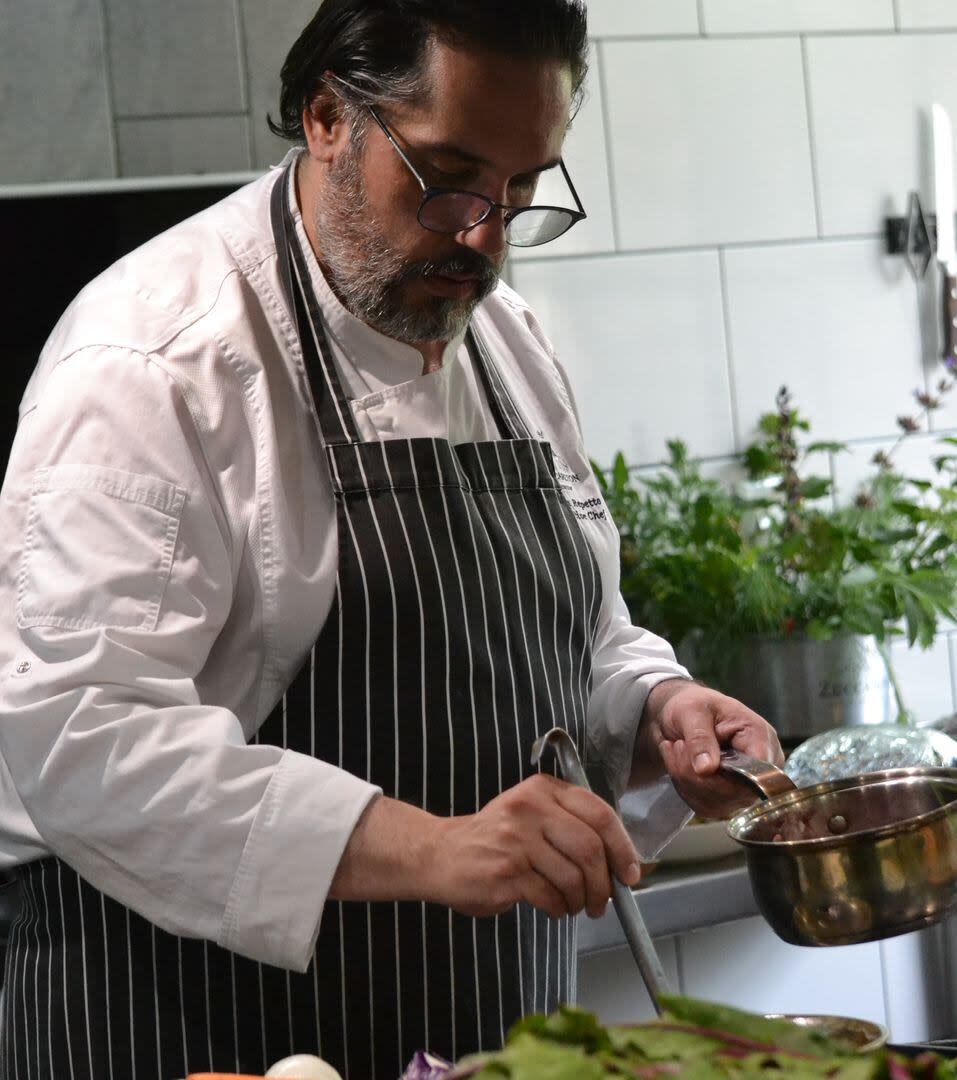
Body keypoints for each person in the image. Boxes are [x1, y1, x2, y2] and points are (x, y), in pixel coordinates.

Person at [0, 1, 782, 1077]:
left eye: (521, 190)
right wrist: (441, 848)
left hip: (482, 1034)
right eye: (451, 177)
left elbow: (580, 635)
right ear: (329, 117)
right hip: (190, 1026)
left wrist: (655, 711)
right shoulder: (156, 360)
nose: (485, 239)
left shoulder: (503, 344)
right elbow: (80, 739)